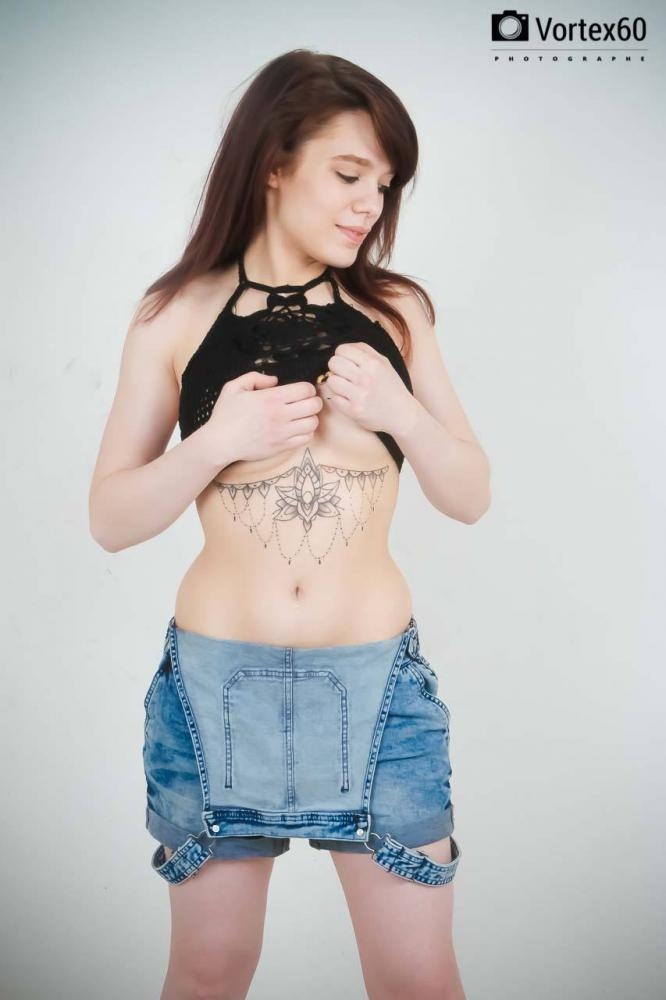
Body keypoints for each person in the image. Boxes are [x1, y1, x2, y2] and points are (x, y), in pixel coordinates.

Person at [89, 47, 489, 1000]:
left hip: (378, 690)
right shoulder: (173, 314)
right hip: (215, 692)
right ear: (274, 163)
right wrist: (215, 442)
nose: (369, 205)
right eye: (349, 175)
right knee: (209, 970)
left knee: (417, 978)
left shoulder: (398, 313)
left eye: (382, 186)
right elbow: (110, 517)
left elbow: (470, 493)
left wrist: (401, 413)